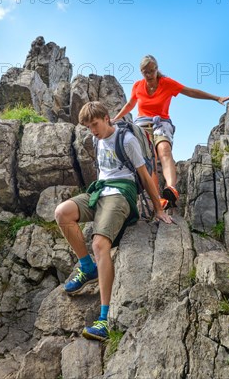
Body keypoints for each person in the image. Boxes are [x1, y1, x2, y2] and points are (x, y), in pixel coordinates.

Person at [54, 101, 173, 341]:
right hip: (100, 192)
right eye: (88, 127)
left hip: (121, 193)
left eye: (95, 124)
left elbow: (145, 176)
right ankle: (88, 267)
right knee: (62, 213)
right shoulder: (96, 140)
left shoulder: (126, 140)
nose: (92, 131)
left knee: (100, 244)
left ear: (107, 118)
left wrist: (158, 207)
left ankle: (104, 320)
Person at [113, 55, 229, 209]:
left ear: (157, 69)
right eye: (146, 72)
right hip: (142, 124)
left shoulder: (167, 83)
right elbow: (130, 105)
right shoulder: (138, 85)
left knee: (164, 149)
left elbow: (190, 92)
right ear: (141, 72)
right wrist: (115, 119)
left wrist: (216, 98)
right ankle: (156, 197)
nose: (149, 75)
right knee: (150, 157)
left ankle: (171, 189)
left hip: (161, 122)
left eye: (152, 71)